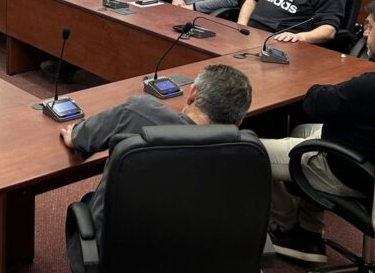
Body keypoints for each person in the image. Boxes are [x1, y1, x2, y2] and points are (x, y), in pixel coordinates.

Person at [262, 0, 375, 264]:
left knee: (251, 150)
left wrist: (337, 86)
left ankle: (286, 225)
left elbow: (315, 102)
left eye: (369, 27)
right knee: (302, 130)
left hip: (348, 168)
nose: (365, 34)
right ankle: (309, 231)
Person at [60, 65, 252, 266]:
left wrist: (74, 136)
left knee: (89, 201)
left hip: (122, 256)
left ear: (193, 94)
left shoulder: (138, 112)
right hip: (195, 256)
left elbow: (82, 138)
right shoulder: (245, 152)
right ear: (239, 119)